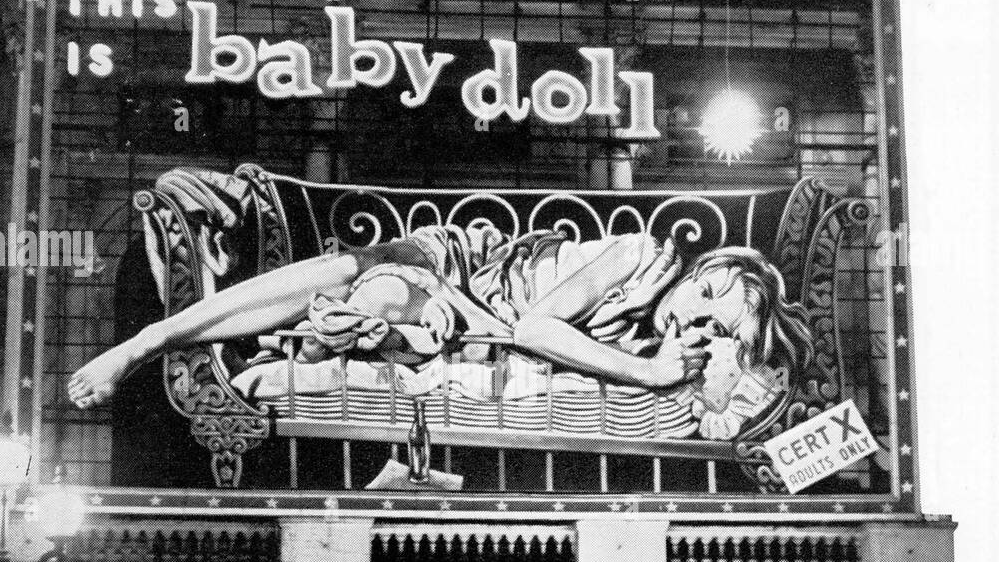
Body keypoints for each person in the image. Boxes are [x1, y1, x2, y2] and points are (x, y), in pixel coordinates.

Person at [68, 173, 812, 428]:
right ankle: (146, 341)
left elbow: (735, 400)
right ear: (699, 264)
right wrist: (650, 373)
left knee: (375, 306)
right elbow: (540, 324)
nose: (695, 315)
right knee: (348, 280)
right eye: (709, 291)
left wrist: (705, 363)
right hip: (463, 262)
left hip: (461, 315)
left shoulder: (655, 338)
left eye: (715, 324)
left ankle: (328, 327)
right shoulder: (636, 252)